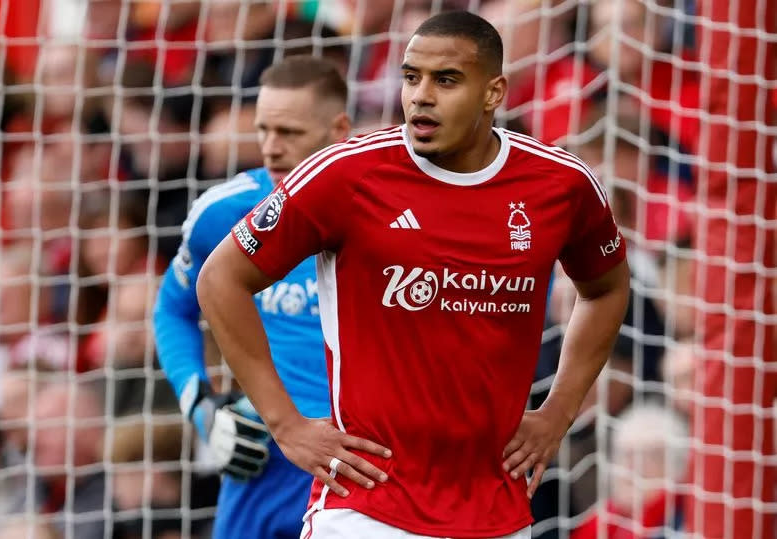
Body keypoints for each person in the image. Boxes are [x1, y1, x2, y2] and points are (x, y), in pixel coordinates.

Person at [198, 11, 630, 539]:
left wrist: (558, 412)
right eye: (410, 77)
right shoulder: (346, 173)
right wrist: (285, 425)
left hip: (497, 509)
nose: (420, 95)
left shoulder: (562, 185)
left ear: (494, 92)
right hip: (366, 505)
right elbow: (220, 278)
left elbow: (606, 287)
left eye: (445, 80)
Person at [153, 55, 350, 539]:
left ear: (339, 130)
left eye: (289, 132)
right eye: (263, 129)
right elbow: (172, 310)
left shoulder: (390, 214)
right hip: (260, 460)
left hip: (357, 462)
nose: (269, 148)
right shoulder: (224, 214)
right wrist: (200, 404)